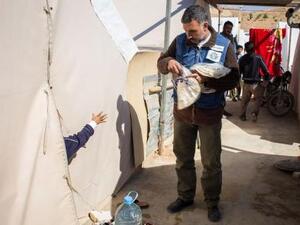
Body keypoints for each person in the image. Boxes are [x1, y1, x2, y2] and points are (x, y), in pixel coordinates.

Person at [157, 5, 239, 222]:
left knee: (211, 162)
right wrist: (169, 62)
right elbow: (161, 62)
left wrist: (207, 80)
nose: (188, 35)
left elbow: (233, 78)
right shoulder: (180, 41)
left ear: (205, 25)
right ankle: (185, 197)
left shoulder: (224, 45)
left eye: (192, 31)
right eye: (185, 30)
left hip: (209, 114)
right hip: (183, 113)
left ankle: (212, 202)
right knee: (183, 158)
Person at [239, 41, 270, 122]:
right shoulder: (258, 58)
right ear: (254, 49)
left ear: (245, 49)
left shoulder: (242, 59)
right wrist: (266, 81)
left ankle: (243, 116)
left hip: (246, 83)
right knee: (257, 101)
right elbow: (266, 71)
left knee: (244, 101)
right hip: (256, 84)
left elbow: (239, 71)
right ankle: (254, 114)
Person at [220, 21, 238, 116]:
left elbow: (234, 52)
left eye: (230, 28)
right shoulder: (219, 37)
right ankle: (219, 110)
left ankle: (222, 109)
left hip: (229, 68)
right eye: (227, 28)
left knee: (225, 90)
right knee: (220, 90)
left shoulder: (232, 38)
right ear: (223, 27)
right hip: (221, 67)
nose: (229, 30)